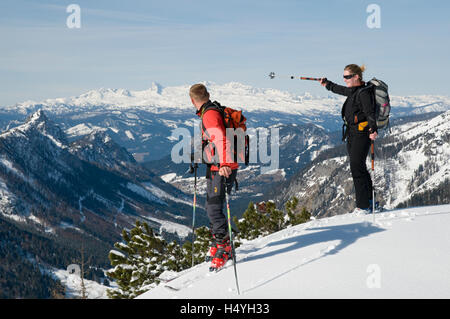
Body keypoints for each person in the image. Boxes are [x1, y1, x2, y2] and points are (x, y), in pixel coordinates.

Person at [189, 83, 239, 270]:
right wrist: (199, 156)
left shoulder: (209, 114)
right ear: (207, 95)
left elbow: (220, 138)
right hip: (216, 165)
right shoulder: (211, 110)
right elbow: (213, 141)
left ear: (192, 100)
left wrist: (225, 163)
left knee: (214, 207)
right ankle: (219, 242)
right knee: (211, 204)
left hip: (222, 167)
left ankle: (225, 246)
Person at [319, 64, 378, 213]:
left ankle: (363, 206)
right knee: (360, 168)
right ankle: (370, 202)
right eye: (343, 76)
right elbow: (341, 89)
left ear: (356, 77)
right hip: (352, 133)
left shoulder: (364, 93)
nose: (345, 79)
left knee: (356, 168)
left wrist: (373, 129)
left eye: (347, 77)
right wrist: (328, 84)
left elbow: (370, 112)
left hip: (361, 133)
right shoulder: (354, 90)